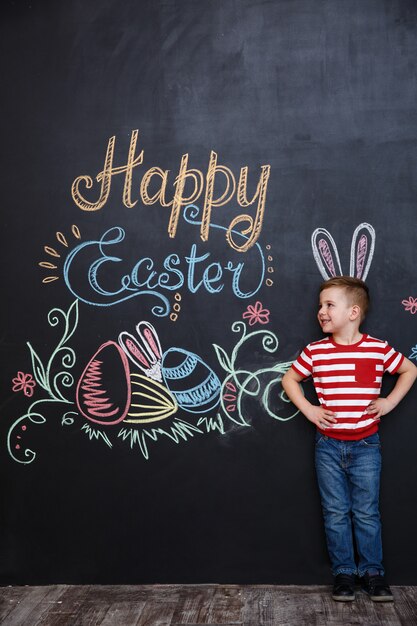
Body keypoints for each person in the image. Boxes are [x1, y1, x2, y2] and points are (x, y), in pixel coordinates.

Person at [282, 276, 417, 602]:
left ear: (353, 311)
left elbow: (409, 370)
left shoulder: (376, 348)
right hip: (327, 446)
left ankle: (373, 573)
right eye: (320, 305)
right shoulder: (316, 351)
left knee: (367, 512)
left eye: (330, 305)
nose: (321, 312)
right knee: (335, 512)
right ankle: (344, 573)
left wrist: (389, 402)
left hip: (366, 445)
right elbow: (290, 379)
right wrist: (310, 410)